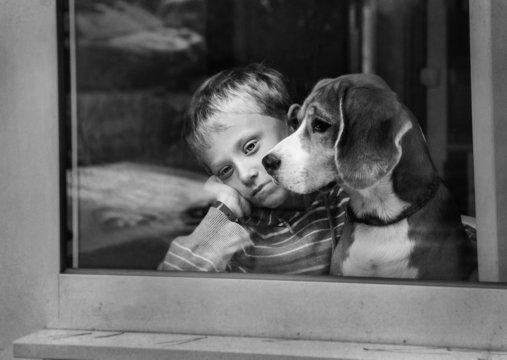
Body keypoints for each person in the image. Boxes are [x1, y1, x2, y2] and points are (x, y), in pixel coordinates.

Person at [158, 63, 349, 274]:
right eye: (225, 171)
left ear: (293, 125)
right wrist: (223, 210)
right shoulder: (236, 234)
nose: (245, 174)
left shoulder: (338, 200)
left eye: (250, 147)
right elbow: (172, 284)